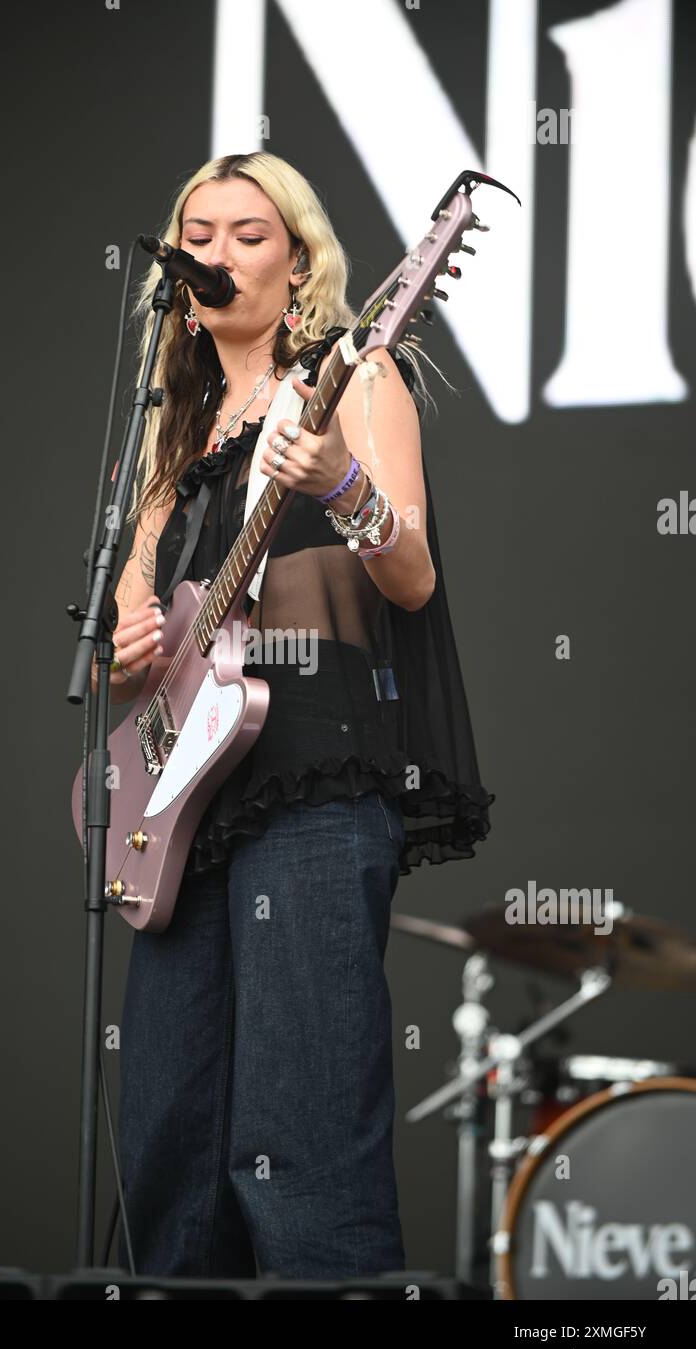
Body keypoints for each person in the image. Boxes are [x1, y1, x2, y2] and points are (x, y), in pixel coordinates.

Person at [94, 152, 494, 1279]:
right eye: (199, 233)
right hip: (188, 809)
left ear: (301, 259)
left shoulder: (353, 376)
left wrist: (333, 484)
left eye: (249, 233)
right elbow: (133, 637)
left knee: (304, 1133)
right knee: (169, 1148)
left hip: (314, 779)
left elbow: (408, 572)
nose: (216, 254)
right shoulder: (171, 439)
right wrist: (130, 651)